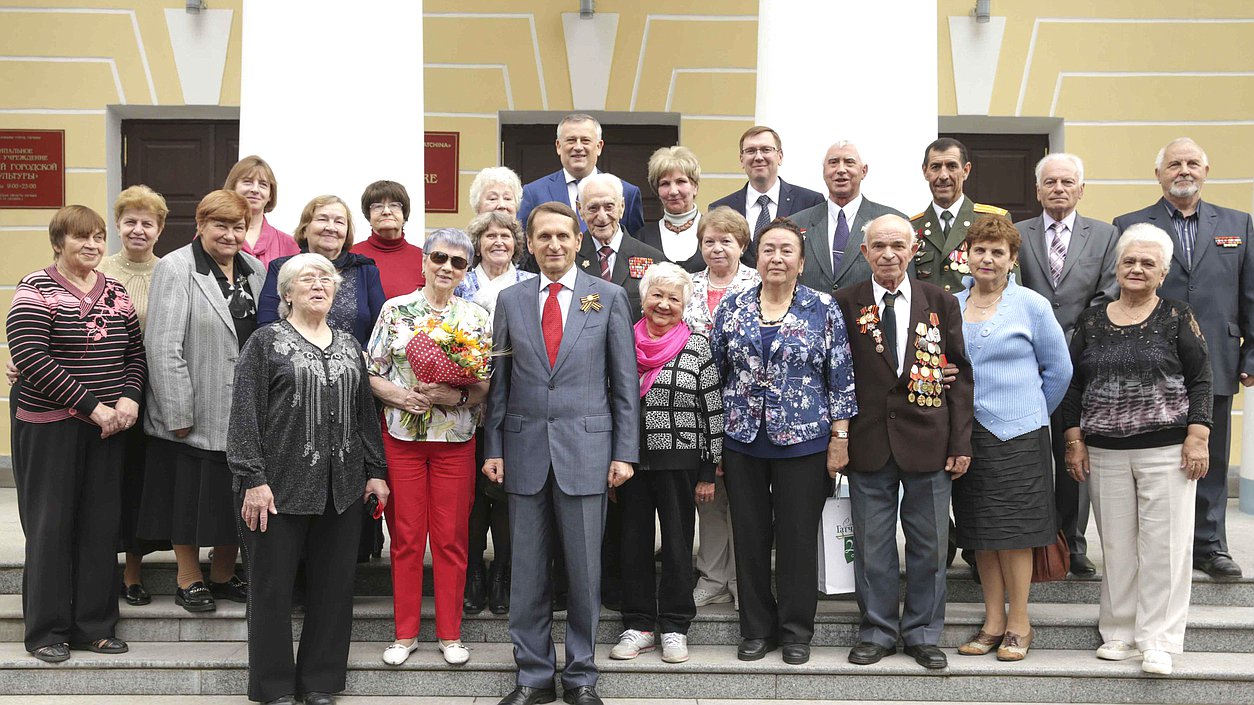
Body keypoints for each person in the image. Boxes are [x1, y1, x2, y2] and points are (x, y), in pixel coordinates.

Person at [482, 201, 638, 705]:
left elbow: (623, 383)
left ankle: (581, 676)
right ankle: (532, 676)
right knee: (527, 571)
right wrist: (494, 446)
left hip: (587, 453)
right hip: (524, 452)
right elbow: (499, 384)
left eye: (562, 237)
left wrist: (624, 452)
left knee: (584, 571)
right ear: (530, 243)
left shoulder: (608, 297)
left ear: (578, 242)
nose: (553, 245)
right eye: (543, 236)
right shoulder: (512, 299)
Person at [229, 253, 390, 705]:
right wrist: (252, 478)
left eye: (327, 279)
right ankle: (274, 686)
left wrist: (376, 473)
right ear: (287, 293)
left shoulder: (347, 345)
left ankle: (320, 682)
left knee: (334, 590)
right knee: (272, 590)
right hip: (275, 488)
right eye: (307, 279)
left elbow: (364, 416)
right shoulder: (265, 342)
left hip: (341, 488)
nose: (318, 285)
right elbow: (243, 414)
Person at [1062, 223, 1213, 676]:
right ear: (1117, 266)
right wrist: (1074, 440)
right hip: (1104, 450)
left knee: (1165, 547)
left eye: (1148, 263)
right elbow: (1073, 383)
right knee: (1118, 545)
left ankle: (1159, 640)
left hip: (1168, 450)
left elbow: (1202, 378)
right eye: (1129, 260)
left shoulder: (1176, 315)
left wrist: (1198, 435)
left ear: (1162, 273)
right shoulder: (1091, 320)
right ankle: (1120, 633)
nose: (1136, 268)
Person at [710, 217, 857, 666]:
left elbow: (842, 377)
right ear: (757, 256)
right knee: (750, 538)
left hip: (805, 442)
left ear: (801, 259)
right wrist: (716, 445)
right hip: (742, 441)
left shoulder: (823, 308)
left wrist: (840, 438)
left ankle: (796, 631)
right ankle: (756, 629)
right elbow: (716, 377)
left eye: (786, 250)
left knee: (796, 540)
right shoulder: (732, 307)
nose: (776, 257)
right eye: (769, 249)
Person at [834, 214, 974, 671]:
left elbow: (960, 375)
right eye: (879, 246)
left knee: (930, 547)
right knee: (872, 546)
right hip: (868, 443)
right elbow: (835, 374)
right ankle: (876, 631)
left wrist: (961, 442)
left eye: (898, 245)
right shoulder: (844, 302)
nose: (889, 254)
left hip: (929, 442)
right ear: (865, 252)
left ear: (914, 249)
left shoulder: (941, 301)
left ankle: (922, 633)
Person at [7, 205, 146, 663]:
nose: (91, 245)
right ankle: (47, 630)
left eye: (98, 237)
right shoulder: (35, 288)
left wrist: (128, 400)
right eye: (80, 237)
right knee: (51, 527)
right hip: (51, 428)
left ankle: (95, 626)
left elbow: (135, 354)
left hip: (109, 429)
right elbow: (30, 358)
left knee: (100, 527)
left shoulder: (117, 292)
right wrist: (94, 407)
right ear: (58, 242)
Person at [1113, 137, 1252, 580]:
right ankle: (1152, 548)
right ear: (1159, 174)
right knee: (1155, 458)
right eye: (1174, 164)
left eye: (1192, 163)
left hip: (1218, 358)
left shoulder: (1239, 224)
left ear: (1206, 172)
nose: (1184, 170)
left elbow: (1250, 294)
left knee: (1206, 453)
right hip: (1151, 364)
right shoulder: (1130, 223)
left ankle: (1210, 546)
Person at [366, 228, 491, 667]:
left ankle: (451, 633)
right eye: (440, 257)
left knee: (452, 539)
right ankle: (405, 633)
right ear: (424, 260)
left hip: (454, 442)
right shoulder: (395, 310)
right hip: (403, 438)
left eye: (458, 262)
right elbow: (371, 372)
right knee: (404, 539)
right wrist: (403, 396)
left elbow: (482, 387)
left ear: (466, 271)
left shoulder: (476, 317)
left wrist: (451, 396)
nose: (447, 268)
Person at [952, 216, 1071, 662]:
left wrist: (1031, 410)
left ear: (1012, 260)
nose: (987, 258)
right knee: (981, 532)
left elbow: (1059, 371)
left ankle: (1019, 622)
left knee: (1016, 533)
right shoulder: (951, 303)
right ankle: (992, 622)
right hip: (968, 434)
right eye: (980, 249)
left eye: (997, 251)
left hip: (1019, 433)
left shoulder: (1032, 305)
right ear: (967, 254)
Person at [140, 190, 265, 614]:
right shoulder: (177, 268)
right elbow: (161, 345)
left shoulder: (256, 269)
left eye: (238, 226)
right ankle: (188, 577)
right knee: (190, 498)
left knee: (232, 497)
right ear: (200, 225)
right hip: (194, 409)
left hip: (245, 410)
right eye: (220, 226)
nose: (230, 235)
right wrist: (178, 411)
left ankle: (224, 574)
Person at [610, 262, 723, 665]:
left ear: (684, 306)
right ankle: (638, 625)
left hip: (680, 462)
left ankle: (675, 627)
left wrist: (709, 470)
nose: (664, 304)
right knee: (633, 544)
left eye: (673, 298)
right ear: (642, 300)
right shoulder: (621, 341)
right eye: (656, 295)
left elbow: (713, 409)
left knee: (677, 546)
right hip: (630, 462)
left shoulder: (698, 345)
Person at [1015, 153, 1119, 577]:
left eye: (1067, 182)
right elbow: (1014, 291)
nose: (1059, 188)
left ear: (1081, 188)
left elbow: (1107, 293)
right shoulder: (1019, 233)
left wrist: (1069, 344)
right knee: (1033, 455)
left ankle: (1073, 544)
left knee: (1074, 452)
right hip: (1029, 365)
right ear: (1038, 190)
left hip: (1084, 362)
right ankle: (1037, 539)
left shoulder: (1107, 235)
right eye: (1051, 182)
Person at [457, 211, 537, 616]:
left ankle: (504, 572)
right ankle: (473, 572)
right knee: (471, 499)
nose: (498, 243)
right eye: (489, 236)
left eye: (505, 236)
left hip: (519, 407)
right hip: (465, 408)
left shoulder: (529, 284)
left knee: (507, 495)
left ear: (516, 243)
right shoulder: (460, 281)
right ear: (478, 243)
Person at [99, 185, 173, 605]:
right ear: (118, 225)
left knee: (136, 483)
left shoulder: (170, 272)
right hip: (101, 393)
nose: (138, 230)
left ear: (160, 229)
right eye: (131, 222)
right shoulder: (99, 269)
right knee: (103, 483)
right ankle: (97, 565)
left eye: (148, 223)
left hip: (149, 393)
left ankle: (132, 572)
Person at [683, 207, 759, 610]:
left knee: (745, 500)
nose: (717, 248)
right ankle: (712, 577)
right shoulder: (686, 285)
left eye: (726, 241)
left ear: (742, 245)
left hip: (745, 409)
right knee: (708, 497)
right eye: (709, 241)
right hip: (695, 411)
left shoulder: (759, 284)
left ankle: (742, 579)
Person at [257, 195, 386, 347]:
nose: (331, 227)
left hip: (355, 364)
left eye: (339, 221)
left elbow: (381, 329)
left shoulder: (365, 271)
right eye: (322, 219)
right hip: (294, 365)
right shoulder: (281, 268)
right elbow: (267, 325)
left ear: (347, 232)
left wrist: (360, 357)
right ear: (305, 229)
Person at [792, 141, 906, 292]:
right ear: (824, 171)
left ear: (864, 171)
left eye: (849, 162)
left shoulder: (893, 222)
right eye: (833, 163)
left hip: (870, 314)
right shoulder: (796, 224)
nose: (840, 170)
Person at [708, 125, 824, 264]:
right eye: (750, 151)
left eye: (766, 150)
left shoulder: (810, 202)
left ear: (780, 156)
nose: (758, 157)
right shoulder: (721, 208)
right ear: (741, 160)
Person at [517, 113, 646, 235]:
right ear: (558, 146)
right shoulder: (534, 193)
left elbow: (635, 247)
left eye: (585, 140)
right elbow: (523, 247)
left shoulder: (627, 193)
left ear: (599, 146)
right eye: (571, 140)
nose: (578, 147)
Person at [909, 138, 1010, 294]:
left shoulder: (993, 220)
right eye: (935, 167)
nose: (943, 175)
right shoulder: (912, 228)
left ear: (966, 170)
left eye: (952, 166)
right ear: (925, 172)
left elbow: (1010, 283)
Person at [575, 173, 667, 323]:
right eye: (593, 208)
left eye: (609, 206)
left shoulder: (653, 259)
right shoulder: (570, 258)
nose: (602, 216)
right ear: (580, 210)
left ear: (622, 207)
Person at [633, 146, 705, 272]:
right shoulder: (642, 238)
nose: (673, 191)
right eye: (665, 184)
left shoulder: (715, 232)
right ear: (657, 191)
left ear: (695, 187)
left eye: (681, 181)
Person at [350, 180, 426, 300]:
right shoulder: (351, 256)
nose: (386, 211)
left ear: (404, 214)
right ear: (368, 216)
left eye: (394, 205)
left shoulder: (424, 259)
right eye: (377, 206)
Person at [224, 155, 300, 268]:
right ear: (233, 187)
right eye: (247, 182)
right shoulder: (214, 235)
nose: (255, 189)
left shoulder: (288, 244)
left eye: (263, 184)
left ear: (270, 195)